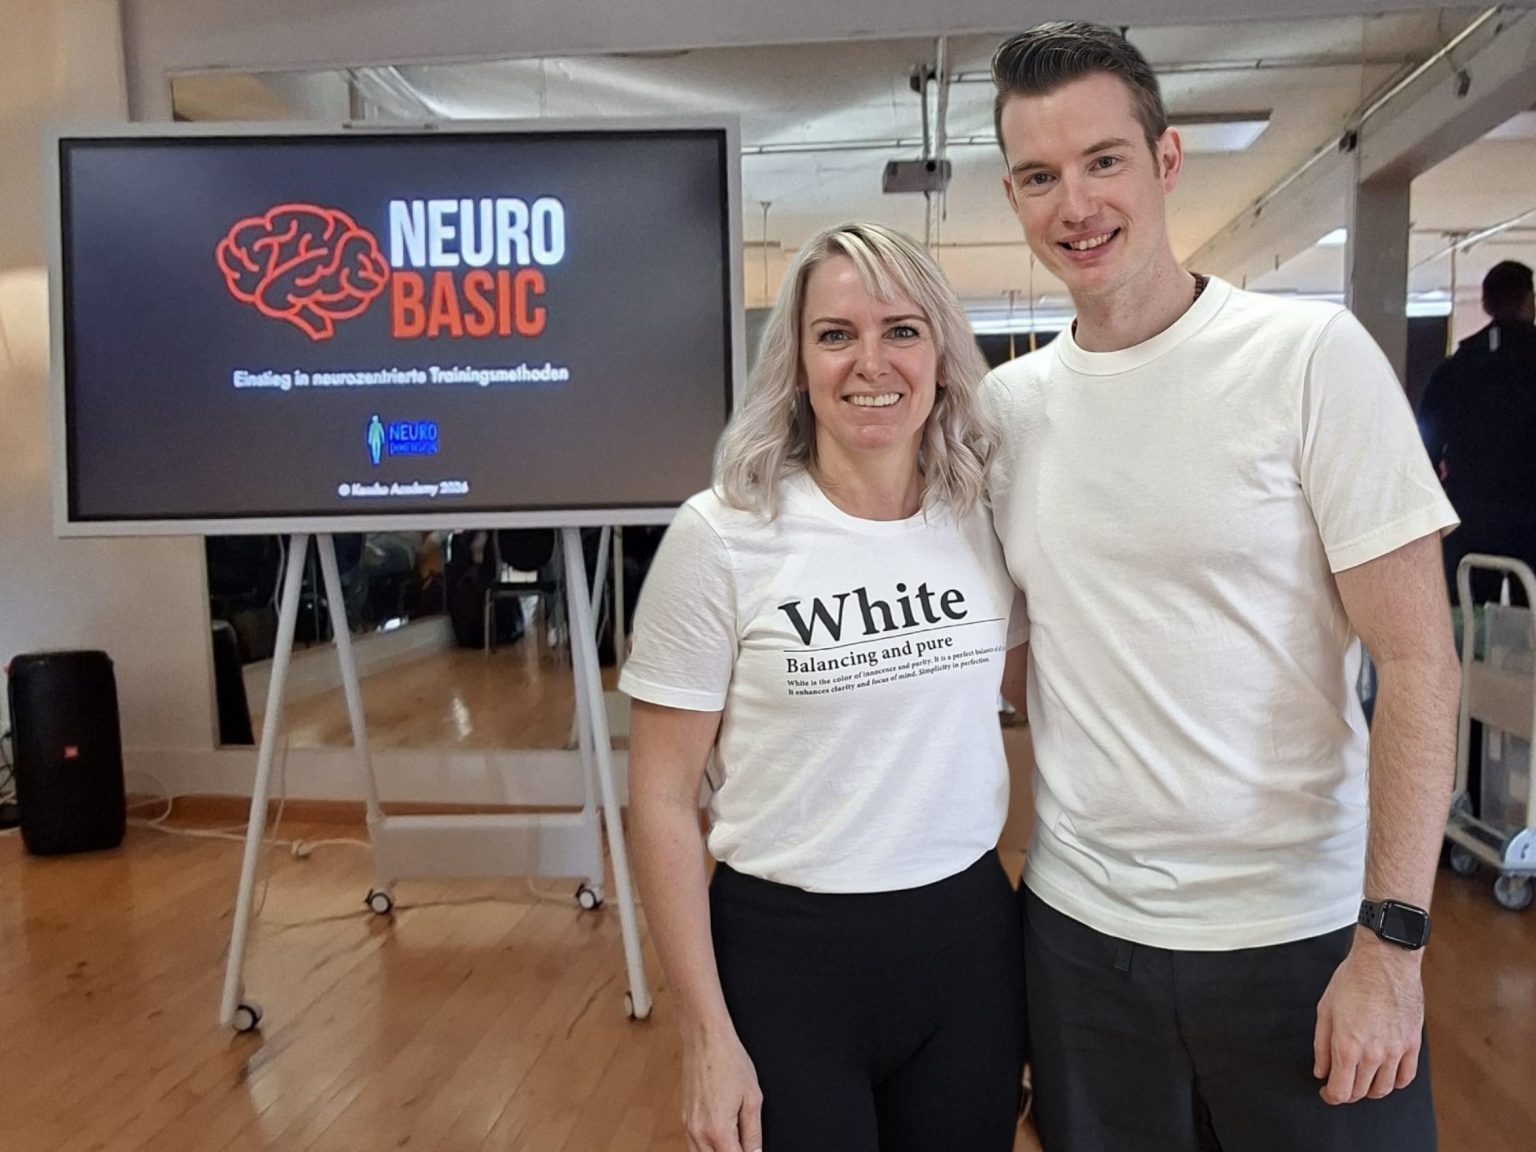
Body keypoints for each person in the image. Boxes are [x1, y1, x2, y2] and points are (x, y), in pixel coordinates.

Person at [982, 22, 1462, 1152]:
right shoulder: (1007, 413)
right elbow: (1016, 663)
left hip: (1302, 941)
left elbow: (1418, 662)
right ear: (1013, 195)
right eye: (1040, 176)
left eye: (1103, 161)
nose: (1076, 205)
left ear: (1166, 160)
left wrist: (1392, 944)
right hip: (1083, 944)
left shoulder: (1309, 359)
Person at [622, 222, 1028, 1152]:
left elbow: (1046, 695)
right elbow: (661, 798)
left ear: (940, 356)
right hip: (785, 962)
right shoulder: (723, 535)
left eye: (902, 331)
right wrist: (704, 1032)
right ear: (798, 364)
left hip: (967, 947)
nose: (870, 363)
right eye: (836, 334)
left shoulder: (983, 518)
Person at [1419, 260, 1536, 602]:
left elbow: (1425, 446)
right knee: (1529, 615)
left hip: (1470, 517)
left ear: (1485, 304)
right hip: (1530, 517)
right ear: (1529, 301)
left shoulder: (1457, 368)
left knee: (1469, 614)